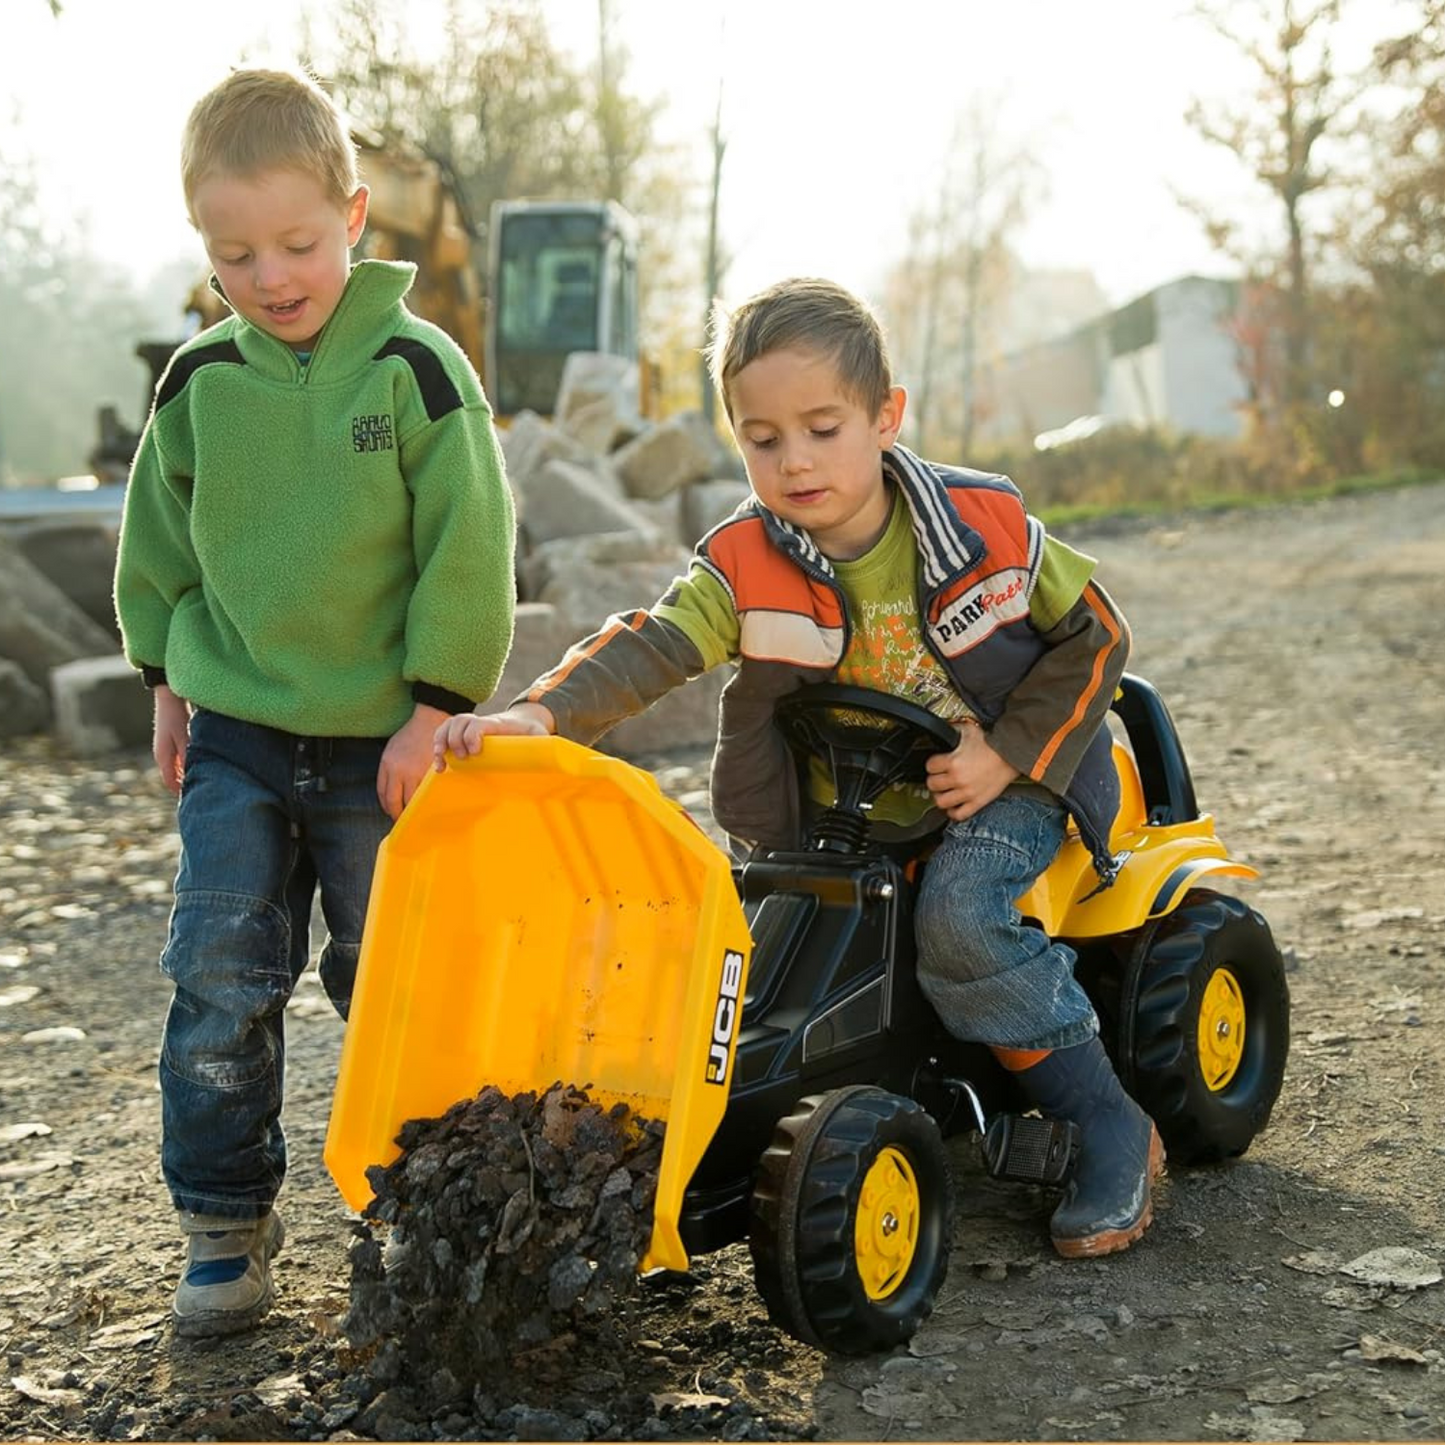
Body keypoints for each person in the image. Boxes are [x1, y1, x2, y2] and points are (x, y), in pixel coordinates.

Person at [435, 275, 1165, 1261]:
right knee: (740, 937)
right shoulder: (744, 555)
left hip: (1004, 783)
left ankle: (1104, 1118)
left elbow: (1095, 635)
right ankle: (710, 1130)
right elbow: (657, 637)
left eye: (822, 427)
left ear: (884, 416)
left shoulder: (977, 526)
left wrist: (1003, 752)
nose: (794, 460)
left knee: (955, 915)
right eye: (762, 436)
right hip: (846, 805)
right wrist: (544, 709)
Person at [113, 66, 516, 1337]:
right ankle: (225, 1220)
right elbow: (159, 550)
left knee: (386, 973)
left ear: (354, 215)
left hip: (376, 746)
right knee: (220, 971)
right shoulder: (197, 386)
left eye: (296, 242)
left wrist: (431, 703)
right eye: (236, 253)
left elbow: (469, 544)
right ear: (204, 248)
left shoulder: (413, 369)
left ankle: (419, 1194)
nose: (271, 274)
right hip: (234, 730)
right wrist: (166, 683)